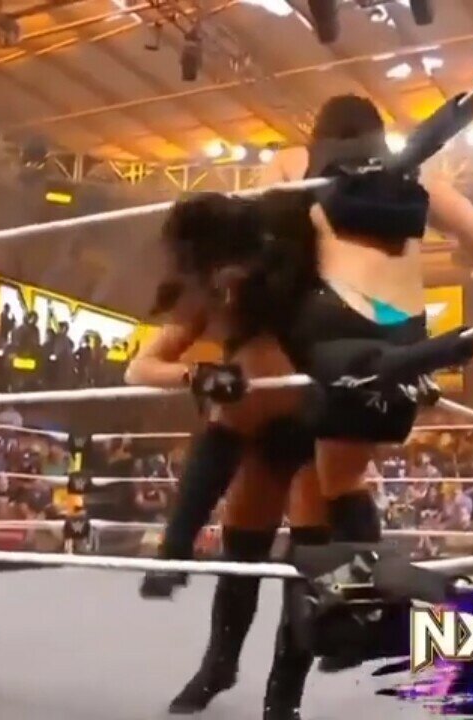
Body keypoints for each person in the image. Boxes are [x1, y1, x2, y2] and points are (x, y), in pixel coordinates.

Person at [256, 93, 473, 549]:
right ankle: (331, 579)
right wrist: (465, 250)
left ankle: (351, 581)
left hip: (335, 326)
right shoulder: (416, 173)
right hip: (405, 339)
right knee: (331, 470)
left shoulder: (295, 160)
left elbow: (255, 229)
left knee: (329, 475)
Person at [124, 191, 327, 719]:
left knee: (308, 564)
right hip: (251, 435)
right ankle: (219, 663)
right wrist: (196, 374)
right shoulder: (206, 295)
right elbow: (138, 368)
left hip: (315, 432)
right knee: (241, 555)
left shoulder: (299, 279)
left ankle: (284, 693)